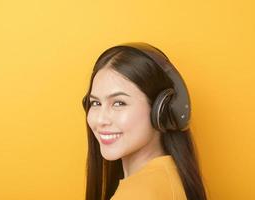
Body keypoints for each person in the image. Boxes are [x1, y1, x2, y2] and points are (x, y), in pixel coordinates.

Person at [82, 42, 208, 200]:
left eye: (119, 103)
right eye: (96, 103)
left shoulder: (137, 194)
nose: (100, 119)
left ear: (160, 110)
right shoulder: (169, 176)